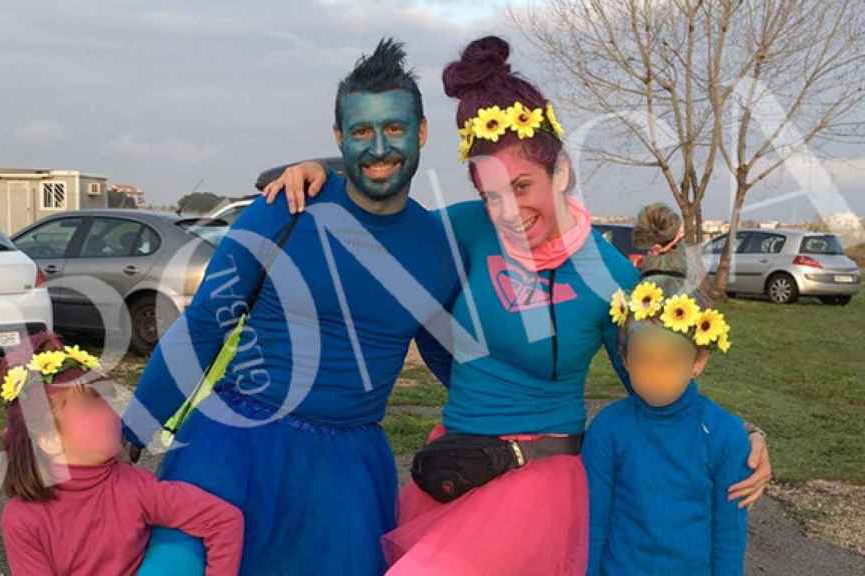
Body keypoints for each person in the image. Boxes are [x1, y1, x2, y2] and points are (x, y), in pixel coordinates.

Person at [263, 35, 771, 575]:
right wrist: (322, 172)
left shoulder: (610, 276)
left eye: (523, 186)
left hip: (540, 480)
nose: (508, 211)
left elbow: (654, 381)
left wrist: (744, 436)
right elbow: (381, 211)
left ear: (561, 174)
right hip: (458, 466)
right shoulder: (465, 230)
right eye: (492, 194)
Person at [122, 38, 460, 575]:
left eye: (394, 128)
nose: (378, 148)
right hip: (235, 445)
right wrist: (130, 435)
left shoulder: (437, 249)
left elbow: (453, 367)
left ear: (420, 132)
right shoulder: (286, 207)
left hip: (347, 477)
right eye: (360, 131)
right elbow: (206, 324)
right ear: (339, 138)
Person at [583, 203, 749, 575]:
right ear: (624, 358)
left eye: (671, 360)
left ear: (698, 360)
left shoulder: (724, 437)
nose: (656, 374)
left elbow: (728, 539)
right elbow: (593, 527)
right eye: (644, 358)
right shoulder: (608, 431)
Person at [0, 334, 243, 576]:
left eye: (106, 401)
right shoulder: (23, 519)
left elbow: (223, 520)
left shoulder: (136, 487)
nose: (110, 414)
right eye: (90, 408)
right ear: (49, 439)